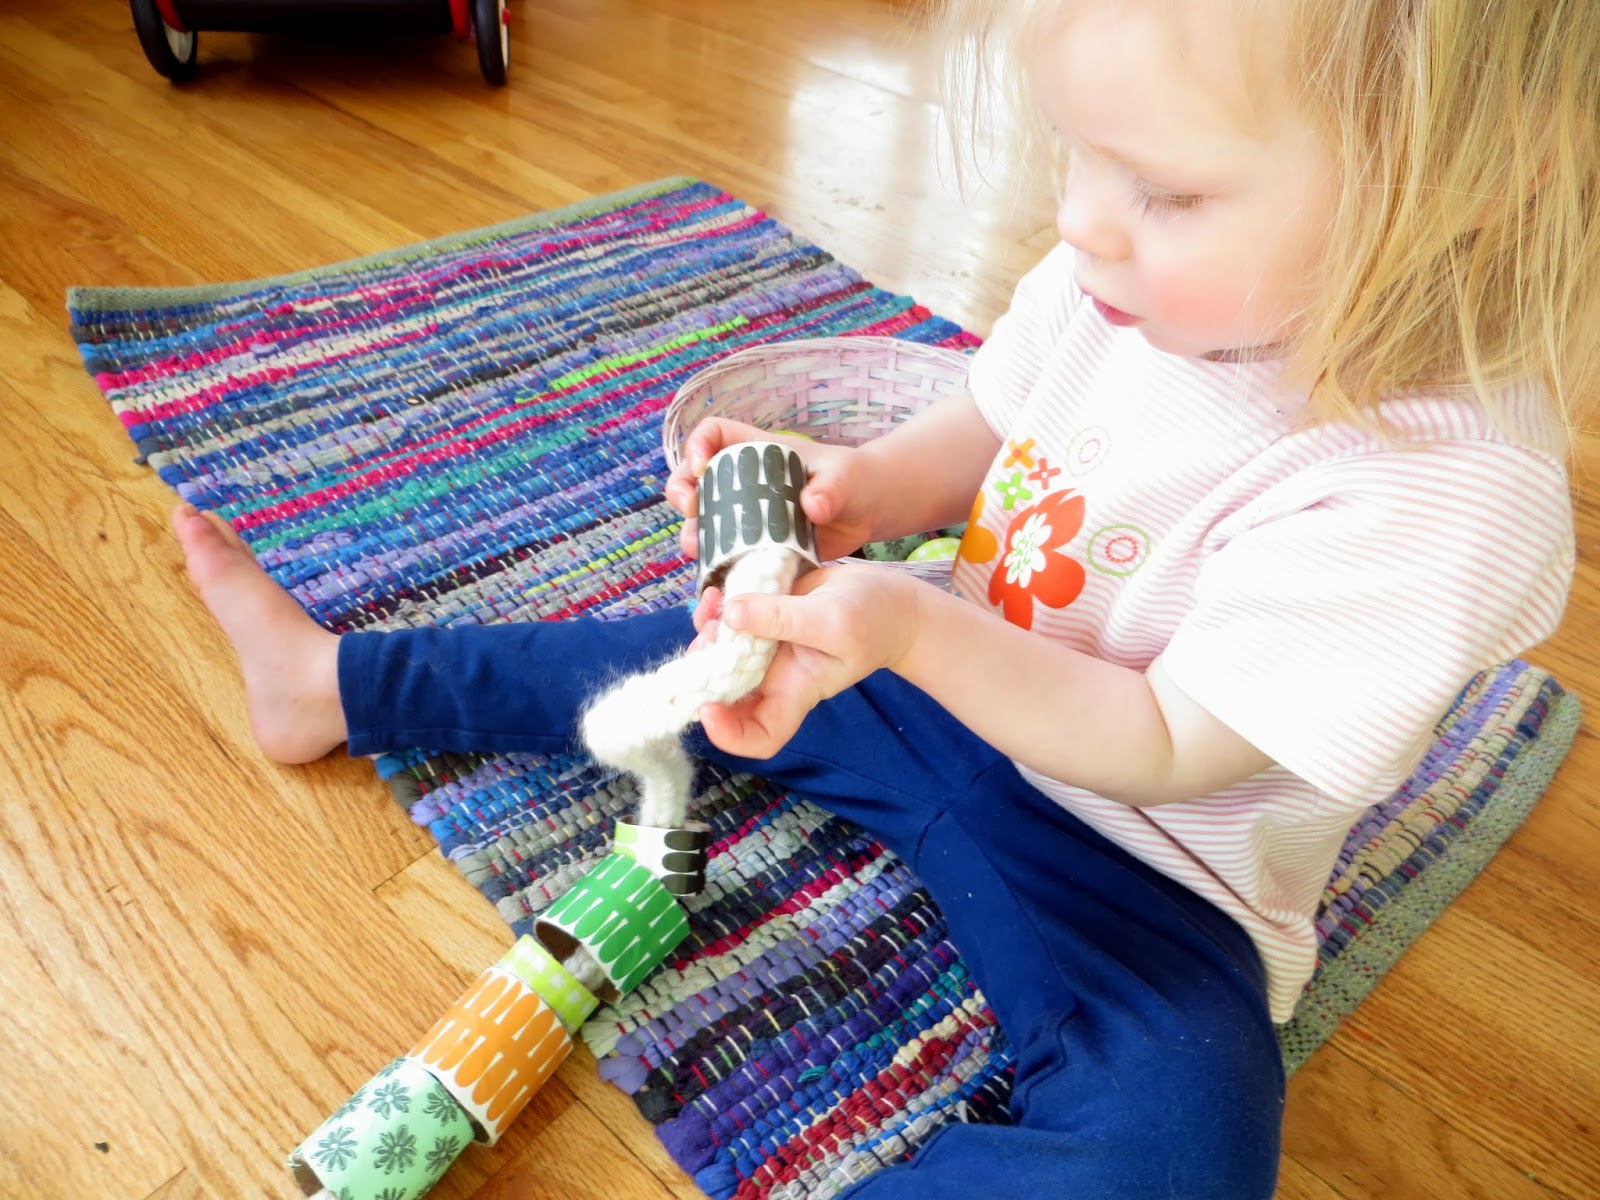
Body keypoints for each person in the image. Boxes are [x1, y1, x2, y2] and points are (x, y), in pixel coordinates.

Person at [172, 0, 1597, 1195]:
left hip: (1157, 875)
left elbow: (1175, 741)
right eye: (1077, 157)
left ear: (1477, 178)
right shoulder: (1116, 277)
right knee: (670, 650)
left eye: (1164, 190)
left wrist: (911, 624)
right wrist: (857, 491)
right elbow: (984, 425)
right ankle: (336, 685)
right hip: (931, 700)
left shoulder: (1445, 485)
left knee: (1181, 1150)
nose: (1082, 222)